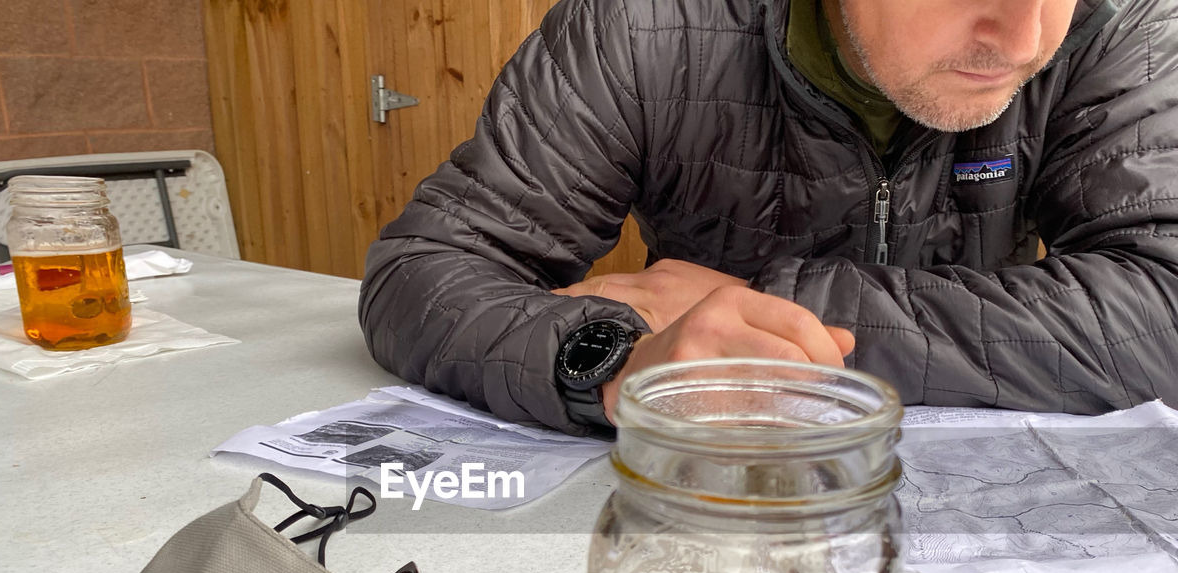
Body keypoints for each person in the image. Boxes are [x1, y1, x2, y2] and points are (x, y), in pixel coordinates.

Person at [359, 0, 1178, 434]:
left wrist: (780, 313)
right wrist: (614, 364)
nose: (1028, 36)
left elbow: (1163, 311)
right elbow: (424, 270)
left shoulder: (1121, 25)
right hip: (704, 523)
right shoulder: (643, 24)